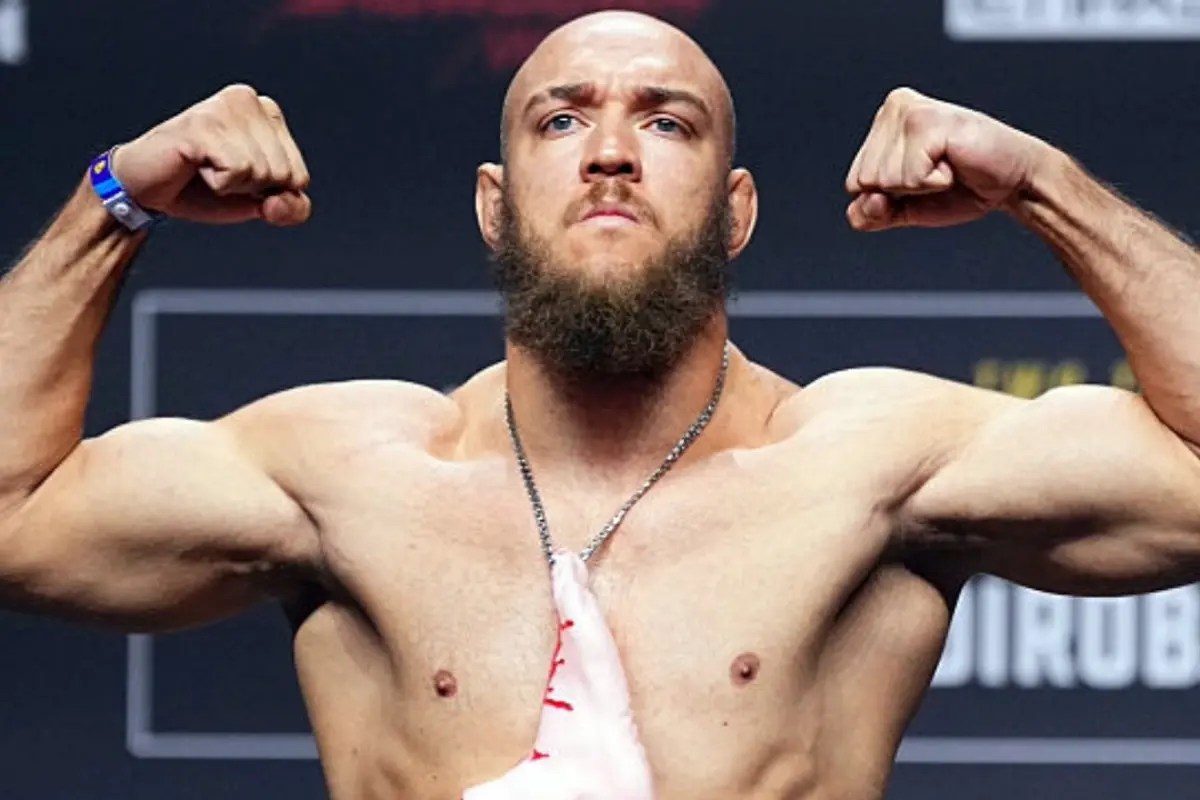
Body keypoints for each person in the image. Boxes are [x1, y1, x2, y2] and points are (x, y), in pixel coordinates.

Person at [2, 7, 1199, 799]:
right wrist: (114, 198)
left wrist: (1044, 185)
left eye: (664, 121)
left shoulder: (867, 463)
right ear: (494, 202)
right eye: (562, 118)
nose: (610, 152)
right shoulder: (351, 472)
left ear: (736, 209)